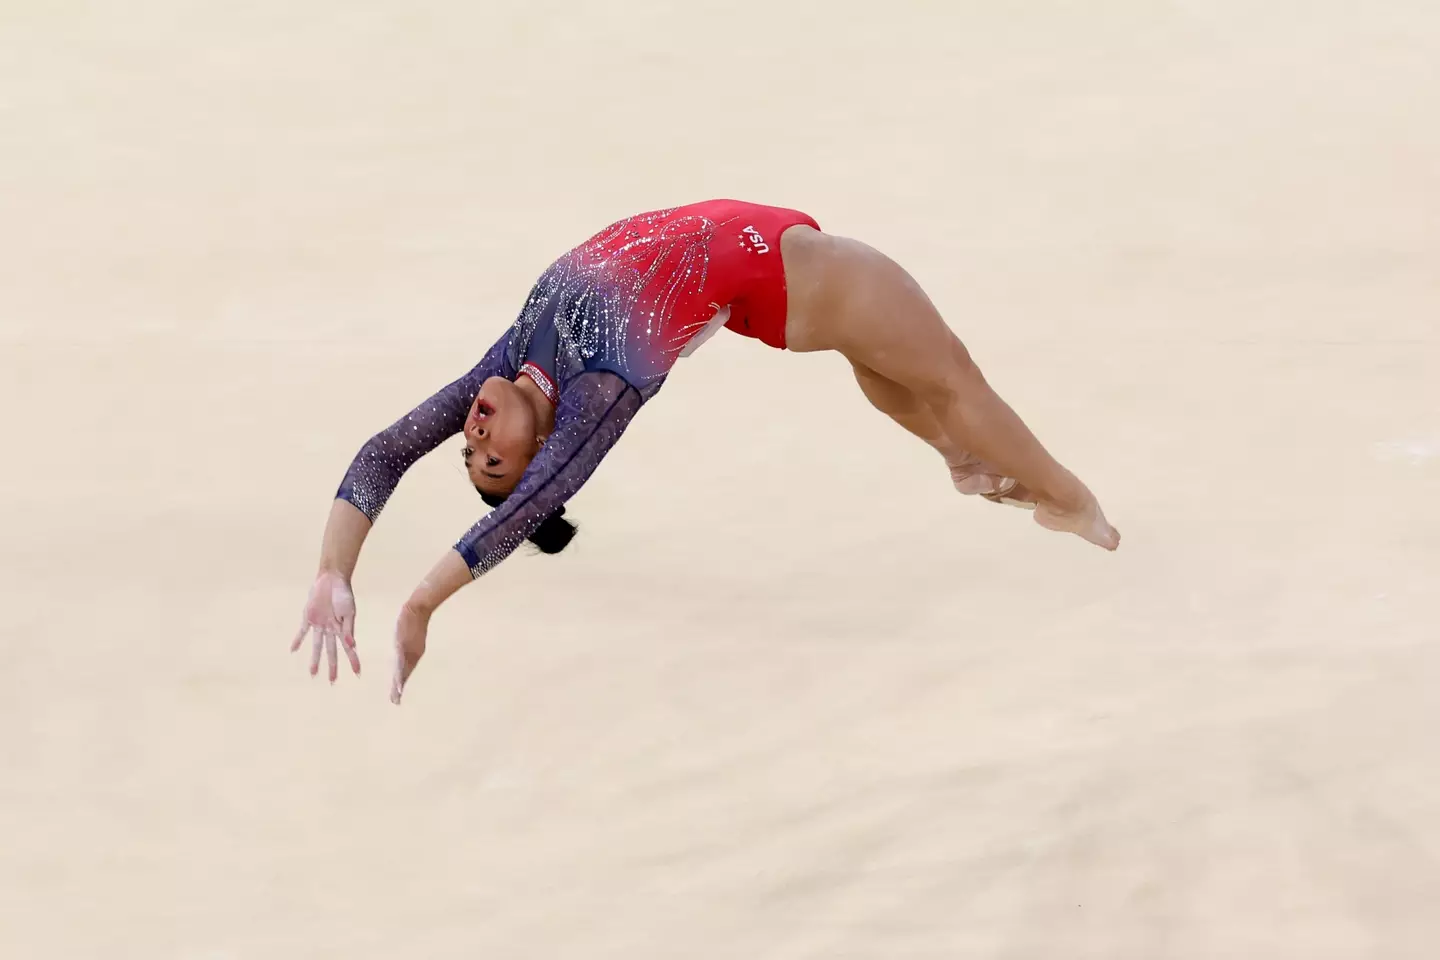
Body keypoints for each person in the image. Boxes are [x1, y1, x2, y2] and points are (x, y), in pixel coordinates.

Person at [289, 200, 1121, 703]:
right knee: (956, 376)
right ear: (542, 446)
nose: (472, 438)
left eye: (469, 452)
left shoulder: (505, 363)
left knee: (889, 366)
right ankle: (1070, 500)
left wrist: (334, 570)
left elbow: (384, 452)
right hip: (810, 279)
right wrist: (420, 605)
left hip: (787, 282)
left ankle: (960, 456)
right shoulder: (601, 386)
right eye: (492, 461)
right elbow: (533, 504)